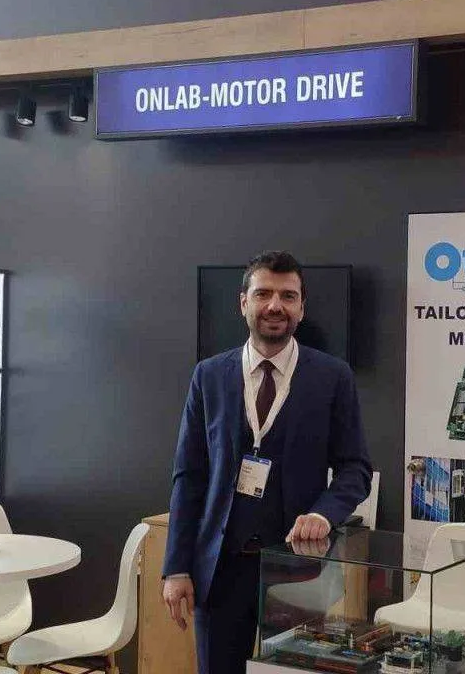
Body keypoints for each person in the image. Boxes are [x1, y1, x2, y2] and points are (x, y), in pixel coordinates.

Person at [161, 251, 372, 674]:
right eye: (263, 294)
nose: (275, 305)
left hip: (298, 571)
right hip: (220, 571)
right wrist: (177, 567)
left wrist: (323, 514)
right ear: (244, 303)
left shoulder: (333, 377)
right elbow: (189, 477)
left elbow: (356, 469)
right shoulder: (208, 376)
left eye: (288, 296)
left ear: (301, 308)